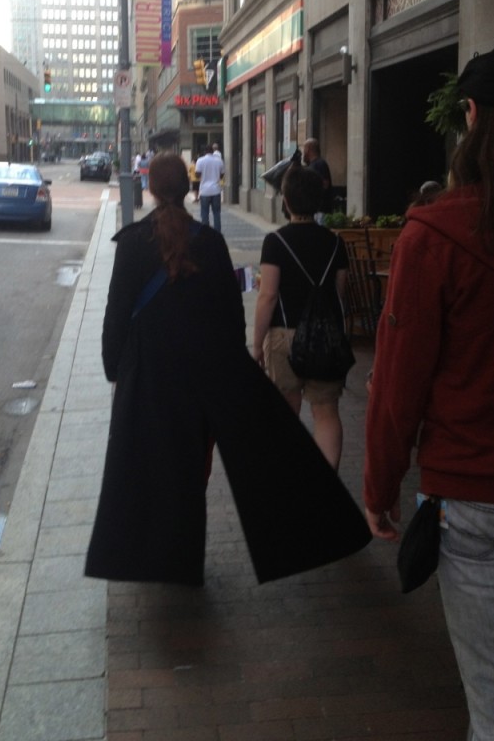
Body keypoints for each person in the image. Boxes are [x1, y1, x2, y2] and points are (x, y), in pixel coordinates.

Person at [363, 42, 494, 741]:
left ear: (474, 119)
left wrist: (380, 483)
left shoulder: (435, 236)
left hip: (474, 499)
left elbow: (398, 384)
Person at [85, 152, 371, 586]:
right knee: (193, 464)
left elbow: (116, 315)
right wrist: (235, 359)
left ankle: (165, 559)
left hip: (150, 376)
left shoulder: (131, 243)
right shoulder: (211, 243)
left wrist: (114, 370)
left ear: (152, 188)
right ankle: (189, 557)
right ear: (188, 188)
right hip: (203, 373)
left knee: (156, 464)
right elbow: (227, 312)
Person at [253, 159, 349, 469]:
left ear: (287, 200)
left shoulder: (276, 242)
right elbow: (340, 292)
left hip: (285, 337)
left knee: (287, 411)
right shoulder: (336, 243)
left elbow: (267, 296)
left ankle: (292, 481)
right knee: (326, 412)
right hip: (327, 338)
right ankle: (326, 484)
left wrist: (256, 343)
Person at [195, 143, 225, 231]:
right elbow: (222, 174)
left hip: (204, 191)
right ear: (213, 151)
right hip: (216, 190)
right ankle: (217, 233)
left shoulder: (200, 160)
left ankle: (206, 233)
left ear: (204, 152)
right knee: (216, 213)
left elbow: (197, 174)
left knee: (204, 213)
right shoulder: (219, 161)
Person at [302, 137, 333, 219]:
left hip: (320, 212)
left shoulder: (319, 164)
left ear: (308, 149)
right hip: (315, 211)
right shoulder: (311, 165)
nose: (303, 153)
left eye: (304, 150)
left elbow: (325, 184)